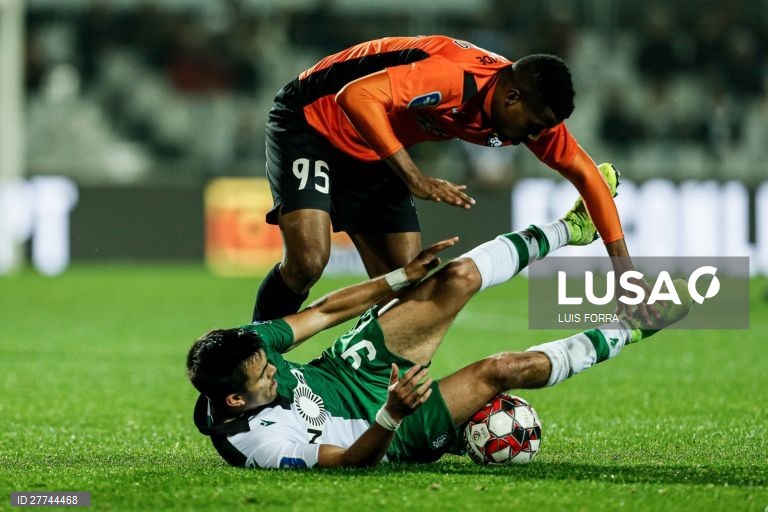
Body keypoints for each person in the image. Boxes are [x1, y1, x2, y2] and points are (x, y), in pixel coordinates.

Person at [187, 194, 692, 469]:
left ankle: (568, 228)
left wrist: (395, 281)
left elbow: (320, 313)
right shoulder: (260, 444)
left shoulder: (245, 347)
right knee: (503, 369)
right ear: (235, 401)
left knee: (457, 277)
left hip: (347, 367)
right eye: (263, 374)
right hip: (386, 427)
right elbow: (346, 463)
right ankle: (634, 326)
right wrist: (390, 414)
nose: (273, 367)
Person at [254, 34, 652, 324]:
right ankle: (248, 356)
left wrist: (625, 275)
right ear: (512, 98)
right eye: (532, 127)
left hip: (375, 150)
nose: (534, 139)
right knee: (308, 261)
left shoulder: (526, 113)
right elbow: (354, 97)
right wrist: (414, 178)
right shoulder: (452, 76)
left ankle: (370, 398)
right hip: (311, 122)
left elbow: (590, 178)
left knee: (405, 291)